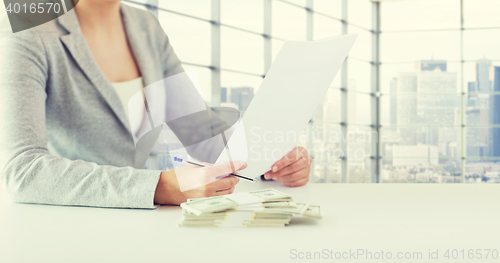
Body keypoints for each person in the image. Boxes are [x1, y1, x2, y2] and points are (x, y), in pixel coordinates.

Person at [0, 0, 311, 209]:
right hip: (65, 229)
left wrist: (271, 157)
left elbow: (201, 132)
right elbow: (22, 170)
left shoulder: (143, 24)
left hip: (142, 227)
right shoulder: (26, 19)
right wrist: (160, 186)